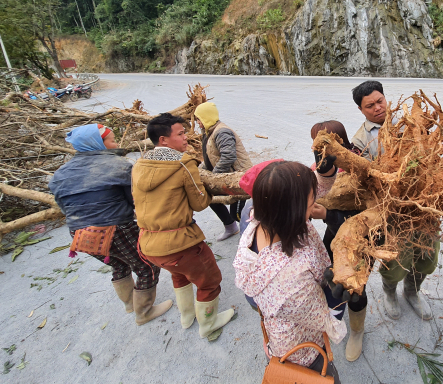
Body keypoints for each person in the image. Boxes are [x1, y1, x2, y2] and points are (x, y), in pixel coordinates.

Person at [233, 161, 346, 383]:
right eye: (312, 202)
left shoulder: (264, 214)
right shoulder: (288, 282)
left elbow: (313, 190)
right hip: (301, 350)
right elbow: (323, 321)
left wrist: (325, 172)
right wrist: (336, 300)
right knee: (321, 375)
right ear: (294, 210)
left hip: (280, 321)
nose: (315, 205)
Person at [49, 124, 172, 326]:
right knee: (146, 265)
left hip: (79, 233)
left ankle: (129, 303)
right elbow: (135, 200)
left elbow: (63, 206)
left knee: (118, 262)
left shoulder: (60, 174)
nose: (117, 143)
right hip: (115, 229)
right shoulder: (118, 166)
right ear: (97, 144)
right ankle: (144, 312)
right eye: (112, 140)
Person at [132, 113, 235, 339]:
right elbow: (199, 203)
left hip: (149, 245)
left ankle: (187, 316)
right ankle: (208, 324)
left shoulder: (140, 164)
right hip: (180, 243)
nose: (186, 138)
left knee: (179, 274)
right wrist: (208, 189)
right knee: (209, 279)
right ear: (163, 140)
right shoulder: (182, 164)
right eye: (180, 134)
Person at [351, 80, 438, 321]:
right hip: (392, 212)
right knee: (396, 263)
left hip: (424, 205)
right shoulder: (360, 142)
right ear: (361, 110)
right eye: (370, 106)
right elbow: (362, 180)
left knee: (428, 259)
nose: (377, 108)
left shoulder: (406, 122)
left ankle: (412, 292)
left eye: (380, 101)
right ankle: (390, 293)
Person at [310, 121, 367, 362]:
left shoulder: (360, 168)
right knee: (330, 278)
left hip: (359, 238)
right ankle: (330, 318)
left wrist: (327, 214)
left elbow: (364, 216)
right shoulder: (320, 167)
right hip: (332, 234)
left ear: (340, 141)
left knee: (355, 286)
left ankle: (357, 331)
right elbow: (318, 192)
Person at [194, 102, 253, 241]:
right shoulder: (209, 132)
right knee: (209, 197)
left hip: (238, 178)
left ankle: (253, 238)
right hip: (224, 175)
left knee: (238, 214)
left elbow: (228, 156)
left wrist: (214, 176)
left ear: (206, 117)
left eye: (198, 119)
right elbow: (210, 156)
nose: (197, 122)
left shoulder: (222, 132)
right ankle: (230, 227)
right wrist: (201, 170)